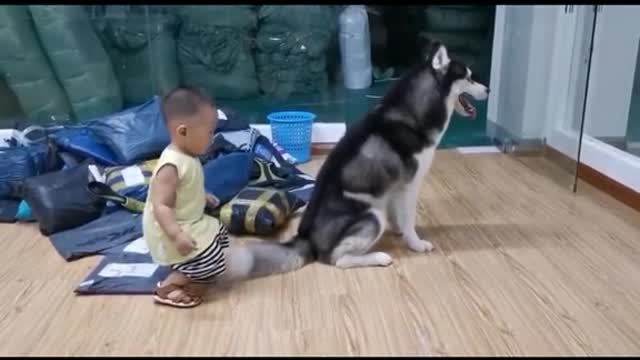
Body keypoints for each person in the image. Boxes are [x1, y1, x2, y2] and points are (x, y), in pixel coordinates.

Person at [143, 86, 227, 308]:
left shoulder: (188, 154)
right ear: (183, 131)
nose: (212, 137)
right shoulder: (171, 164)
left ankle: (189, 268)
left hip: (189, 220)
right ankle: (169, 287)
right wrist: (177, 235)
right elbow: (160, 206)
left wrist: (202, 196)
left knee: (219, 233)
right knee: (211, 259)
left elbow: (186, 188)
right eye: (209, 132)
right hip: (170, 229)